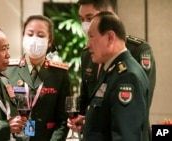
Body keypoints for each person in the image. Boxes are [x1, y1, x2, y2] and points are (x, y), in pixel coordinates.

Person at [67, 0, 156, 138]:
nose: (88, 44)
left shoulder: (128, 72)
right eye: (82, 19)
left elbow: (126, 130)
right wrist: (89, 121)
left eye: (91, 36)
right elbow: (101, 108)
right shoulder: (104, 63)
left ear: (110, 37)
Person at [5, 15, 70, 141]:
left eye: (40, 35)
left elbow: (63, 119)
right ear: (23, 37)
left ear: (49, 41)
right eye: (30, 34)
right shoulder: (8, 70)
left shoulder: (59, 74)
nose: (34, 39)